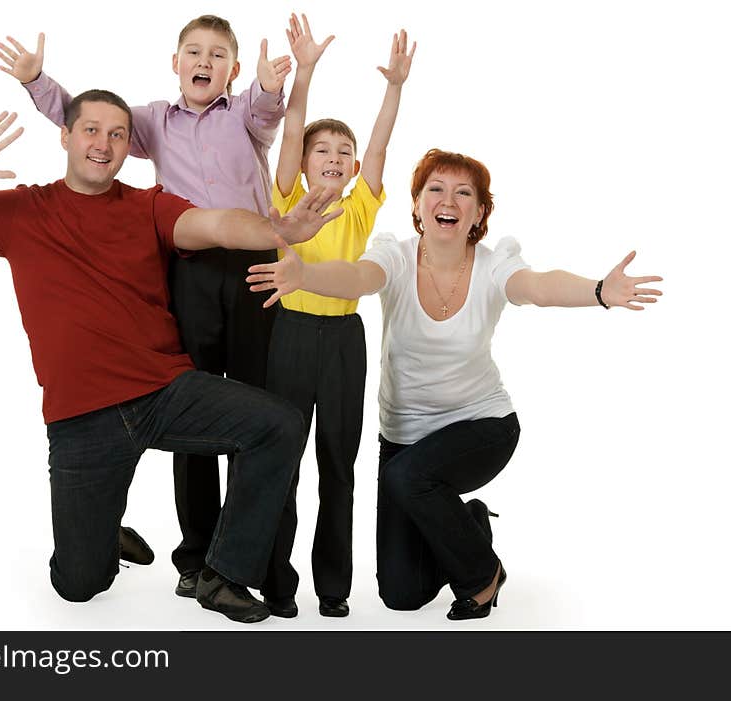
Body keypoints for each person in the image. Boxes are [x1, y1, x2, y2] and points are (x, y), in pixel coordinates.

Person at [0, 90, 342, 624]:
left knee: (279, 423)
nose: (104, 144)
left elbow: (214, 225)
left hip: (165, 392)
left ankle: (224, 572)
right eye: (92, 130)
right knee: (79, 586)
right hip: (83, 418)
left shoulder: (147, 206)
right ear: (66, 137)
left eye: (118, 134)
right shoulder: (20, 210)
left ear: (129, 147)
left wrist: (274, 230)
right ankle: (103, 532)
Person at [248, 147, 662, 619]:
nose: (449, 200)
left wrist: (597, 292)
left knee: (410, 478)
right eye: (436, 190)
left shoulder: (493, 265)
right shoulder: (397, 257)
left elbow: (540, 287)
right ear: (418, 206)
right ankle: (470, 524)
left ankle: (482, 577)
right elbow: (358, 277)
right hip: (405, 439)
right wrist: (305, 274)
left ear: (479, 211)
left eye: (464, 193)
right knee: (402, 595)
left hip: (482, 426)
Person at [0, 15, 291, 598]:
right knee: (196, 414)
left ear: (231, 70)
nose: (204, 61)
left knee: (257, 411)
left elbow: (266, 106)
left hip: (254, 265)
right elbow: (86, 120)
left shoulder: (246, 117)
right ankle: (196, 556)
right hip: (188, 263)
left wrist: (272, 83)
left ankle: (249, 564)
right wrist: (38, 81)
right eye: (193, 52)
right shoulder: (151, 120)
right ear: (175, 63)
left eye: (218, 55)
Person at [258, 15, 415, 619]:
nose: (334, 155)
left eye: (342, 153)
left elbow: (378, 145)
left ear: (352, 171)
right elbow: (293, 127)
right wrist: (305, 71)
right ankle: (277, 581)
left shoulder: (358, 210)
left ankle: (334, 587)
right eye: (322, 149)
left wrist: (394, 87)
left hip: (345, 339)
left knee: (338, 466)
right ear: (301, 163)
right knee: (283, 459)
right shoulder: (287, 199)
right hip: (290, 334)